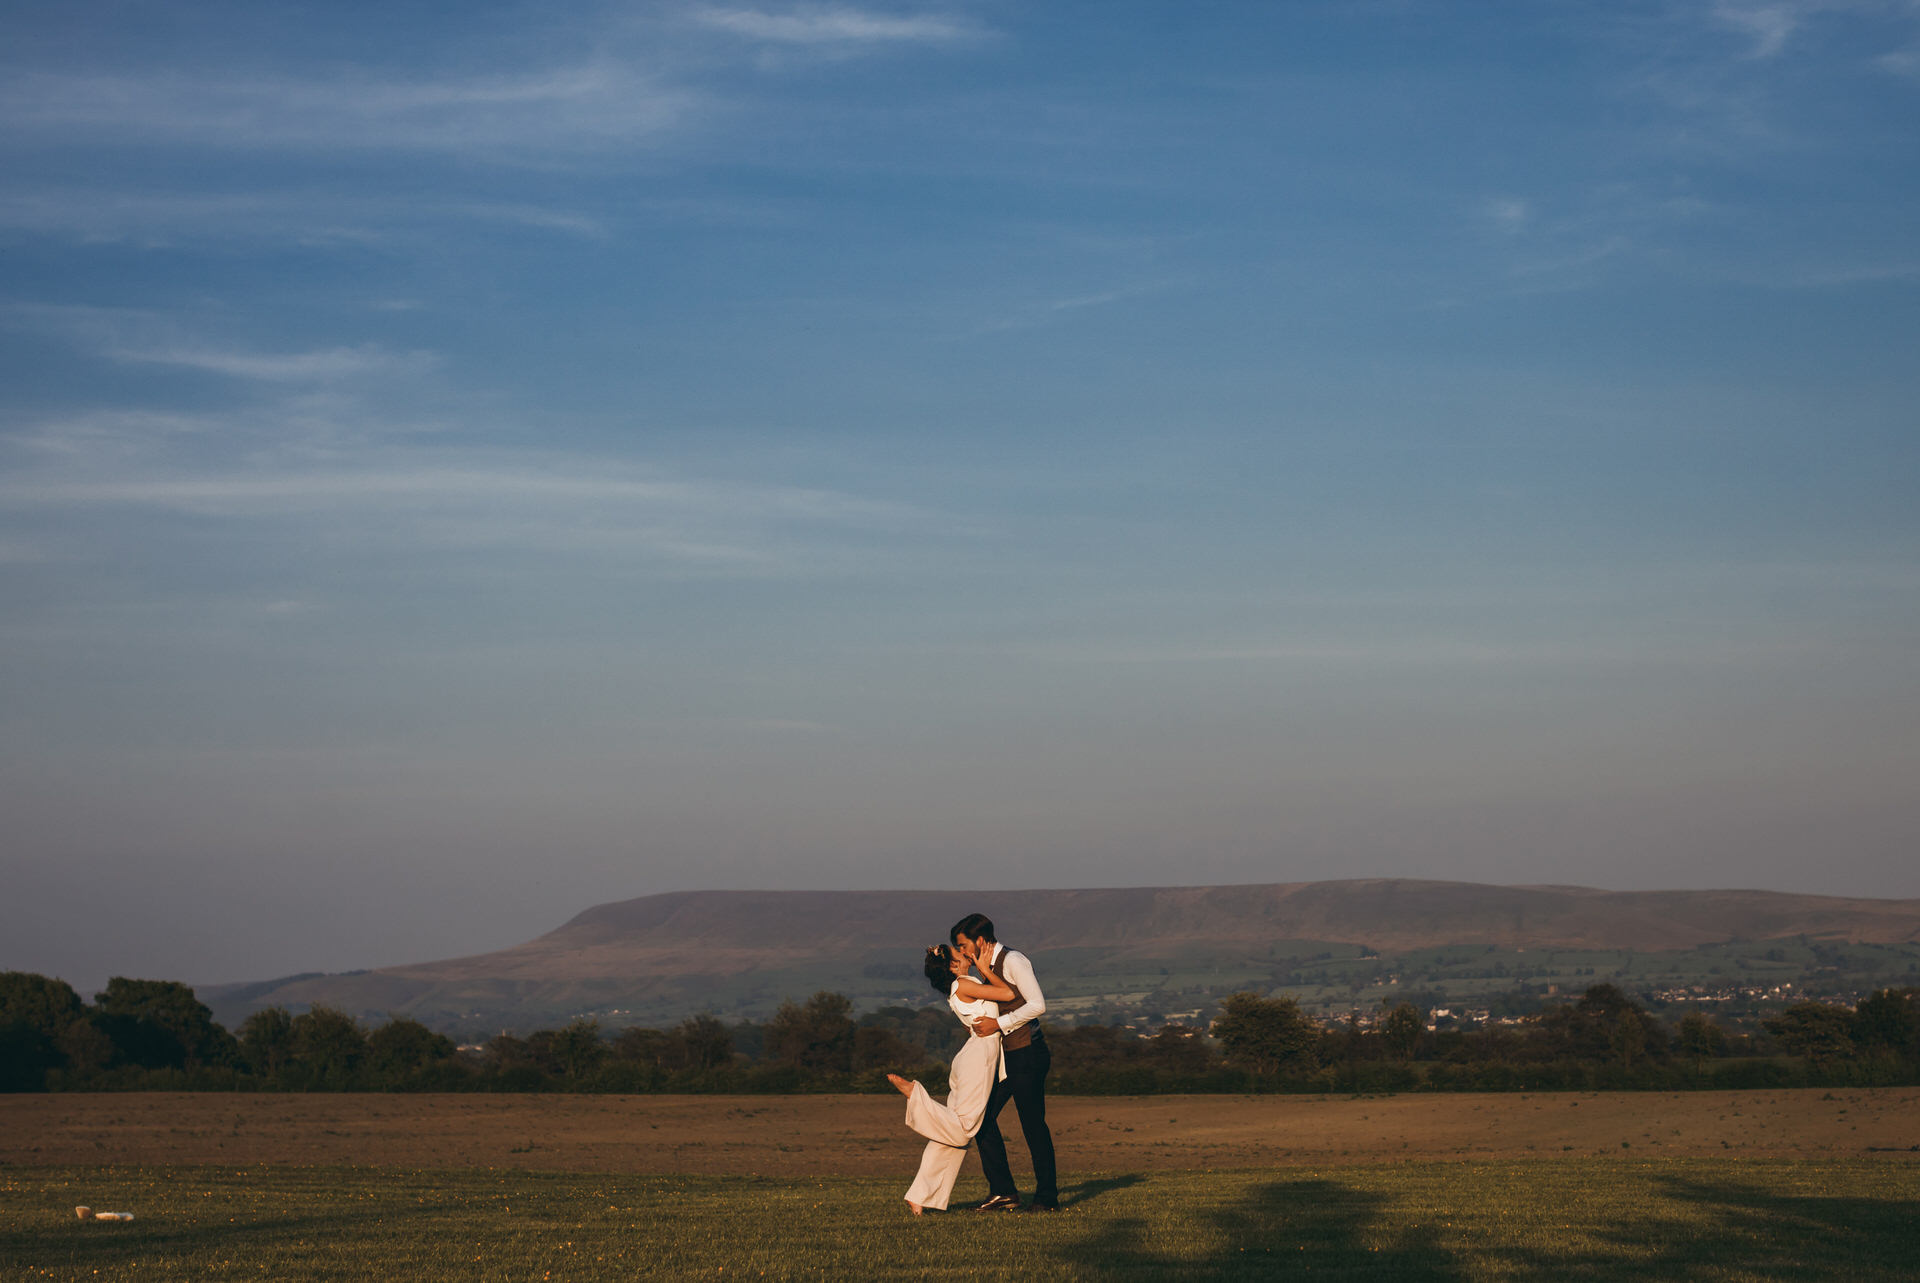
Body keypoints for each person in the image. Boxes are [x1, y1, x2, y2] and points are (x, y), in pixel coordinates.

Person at [886, 943, 1015, 1213]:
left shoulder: (961, 987)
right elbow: (1006, 992)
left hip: (974, 1056)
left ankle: (920, 1195)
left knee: (953, 1132)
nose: (966, 953)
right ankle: (916, 1095)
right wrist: (983, 969)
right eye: (960, 954)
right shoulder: (965, 984)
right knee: (965, 1127)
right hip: (979, 1059)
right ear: (953, 966)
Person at [950, 912, 1057, 1211]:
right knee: (982, 1118)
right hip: (1007, 1059)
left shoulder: (1013, 961)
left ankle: (1047, 1198)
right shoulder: (986, 969)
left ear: (980, 941)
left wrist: (999, 1024)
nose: (960, 952)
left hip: (1028, 1054)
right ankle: (1004, 1192)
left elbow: (1038, 1005)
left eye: (962, 945)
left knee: (1033, 1127)